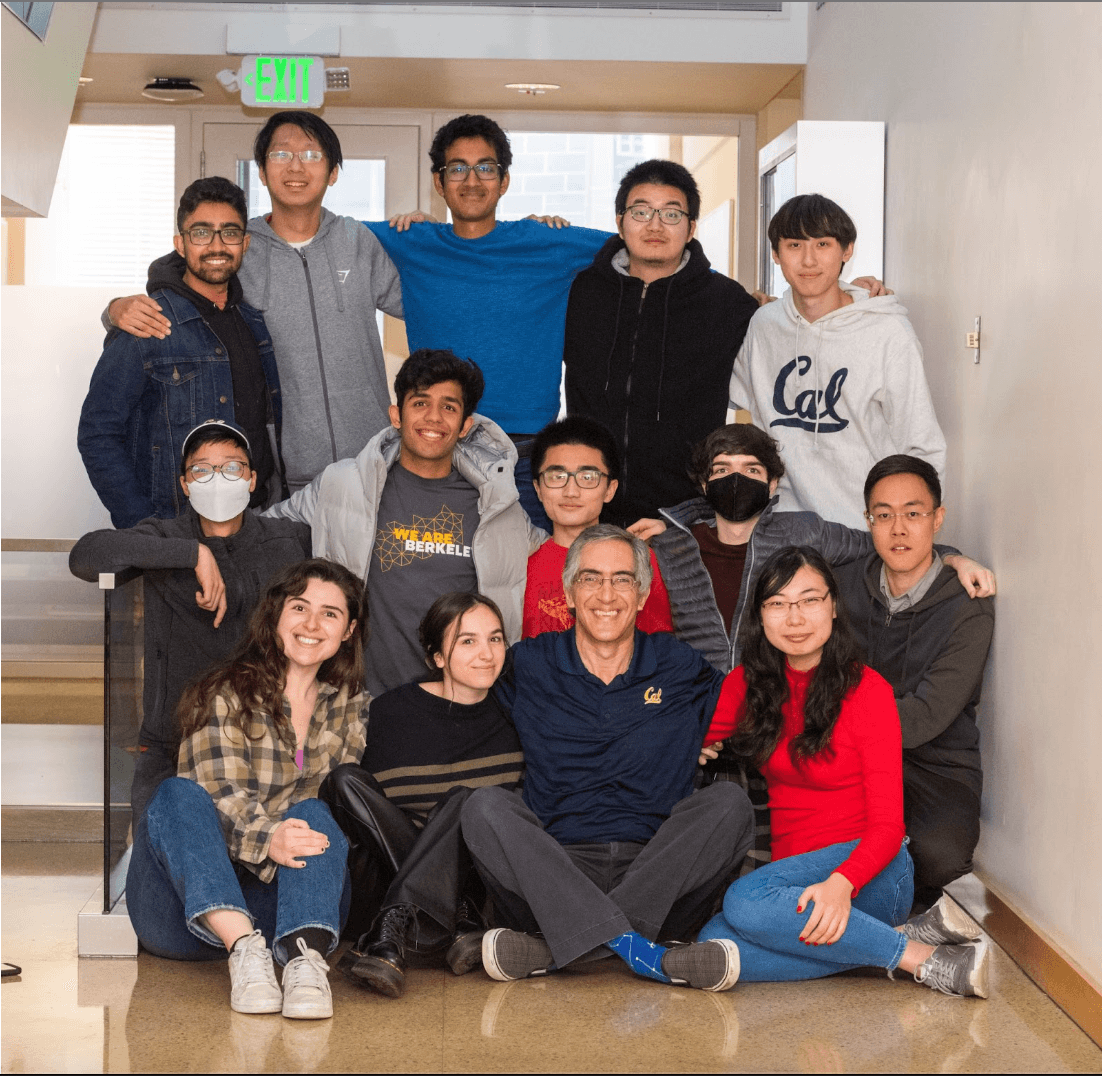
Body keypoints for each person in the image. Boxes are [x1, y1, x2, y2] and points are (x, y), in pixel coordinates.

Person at [460, 525, 755, 991]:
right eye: (591, 578)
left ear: (642, 595)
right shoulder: (529, 663)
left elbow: (753, 709)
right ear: (568, 593)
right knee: (484, 807)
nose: (606, 594)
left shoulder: (677, 664)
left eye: (622, 579)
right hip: (553, 872)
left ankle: (560, 949)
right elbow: (458, 695)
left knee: (729, 803)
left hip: (660, 869)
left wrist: (709, 735)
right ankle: (643, 953)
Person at [697, 546, 990, 998]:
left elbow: (889, 827)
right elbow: (689, 738)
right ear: (760, 616)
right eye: (777, 603)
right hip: (792, 878)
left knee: (742, 901)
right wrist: (697, 745)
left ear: (834, 606)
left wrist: (841, 883)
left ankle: (923, 960)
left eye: (810, 600)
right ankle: (890, 942)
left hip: (871, 872)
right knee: (712, 941)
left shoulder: (868, 691)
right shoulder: (747, 685)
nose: (795, 618)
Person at [104, 112, 404, 491]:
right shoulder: (239, 245)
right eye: (281, 154)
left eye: (311, 155)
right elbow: (172, 273)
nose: (296, 167)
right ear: (261, 172)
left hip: (372, 466)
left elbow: (423, 303)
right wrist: (114, 309)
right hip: (284, 478)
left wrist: (427, 233)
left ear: (333, 173)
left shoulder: (358, 240)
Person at [125, 558, 370, 1020]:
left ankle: (304, 964)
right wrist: (268, 837)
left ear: (349, 630)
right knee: (176, 794)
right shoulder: (224, 693)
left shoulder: (351, 704)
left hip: (285, 911)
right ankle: (244, 953)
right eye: (300, 608)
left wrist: (288, 834)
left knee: (319, 812)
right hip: (185, 912)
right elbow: (219, 795)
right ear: (276, 615)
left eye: (330, 614)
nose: (312, 624)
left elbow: (326, 820)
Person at [364, 114, 611, 525]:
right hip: (438, 446)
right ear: (439, 182)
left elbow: (641, 246)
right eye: (457, 168)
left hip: (524, 454)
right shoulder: (412, 240)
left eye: (486, 168)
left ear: (504, 180)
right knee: (438, 561)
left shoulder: (545, 241)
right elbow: (323, 235)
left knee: (527, 563)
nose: (472, 180)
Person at [264, 348, 545, 697]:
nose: (434, 417)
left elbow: (557, 551)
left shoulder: (497, 505)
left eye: (449, 407)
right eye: (420, 403)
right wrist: (203, 551)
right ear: (396, 415)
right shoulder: (344, 485)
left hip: (459, 701)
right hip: (359, 700)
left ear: (465, 426)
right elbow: (261, 532)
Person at [69, 420, 311, 821]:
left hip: (265, 741)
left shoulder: (287, 541)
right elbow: (86, 556)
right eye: (202, 470)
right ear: (184, 484)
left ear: (252, 479)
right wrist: (193, 554)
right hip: (174, 742)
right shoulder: (165, 537)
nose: (218, 479)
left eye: (231, 467)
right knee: (162, 843)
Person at [648, 422, 994, 675]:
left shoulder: (806, 532)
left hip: (774, 711)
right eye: (722, 469)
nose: (736, 480)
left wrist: (953, 557)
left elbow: (888, 542)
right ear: (704, 483)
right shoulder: (670, 546)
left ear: (772, 483)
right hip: (695, 713)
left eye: (751, 469)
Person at [321, 591, 523, 998]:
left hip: (481, 880)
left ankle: (391, 931)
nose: (486, 654)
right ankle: (450, 916)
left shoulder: (517, 710)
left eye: (495, 639)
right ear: (438, 657)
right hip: (392, 881)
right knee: (343, 780)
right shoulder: (389, 713)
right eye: (467, 641)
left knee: (466, 800)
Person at [730, 193, 947, 528]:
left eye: (823, 244)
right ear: (775, 254)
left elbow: (921, 444)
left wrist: (911, 529)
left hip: (865, 528)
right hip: (785, 526)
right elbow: (721, 390)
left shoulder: (887, 331)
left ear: (847, 251)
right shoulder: (763, 326)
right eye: (794, 245)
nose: (808, 261)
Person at [835, 455, 994, 910]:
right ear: (868, 521)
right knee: (828, 843)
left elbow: (926, 716)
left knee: (941, 858)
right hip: (851, 755)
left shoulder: (967, 603)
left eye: (913, 513)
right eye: (883, 516)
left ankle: (893, 902)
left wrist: (838, 722)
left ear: (937, 519)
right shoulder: (842, 585)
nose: (899, 529)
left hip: (935, 762)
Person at [563, 159, 760, 525]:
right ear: (620, 222)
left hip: (684, 514)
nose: (654, 225)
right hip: (587, 502)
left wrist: (852, 294)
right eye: (641, 212)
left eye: (671, 214)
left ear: (691, 227)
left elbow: (791, 325)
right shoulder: (580, 292)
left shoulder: (727, 302)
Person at [79, 178, 284, 527]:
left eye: (230, 232)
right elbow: (97, 433)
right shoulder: (148, 323)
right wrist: (143, 526)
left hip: (254, 521)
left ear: (245, 243)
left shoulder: (254, 324)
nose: (216, 245)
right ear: (181, 243)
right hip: (175, 527)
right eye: (201, 232)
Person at [523, 415, 672, 637]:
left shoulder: (639, 558)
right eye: (557, 476)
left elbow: (660, 644)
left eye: (587, 477)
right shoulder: (520, 563)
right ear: (538, 489)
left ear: (610, 489)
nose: (571, 491)